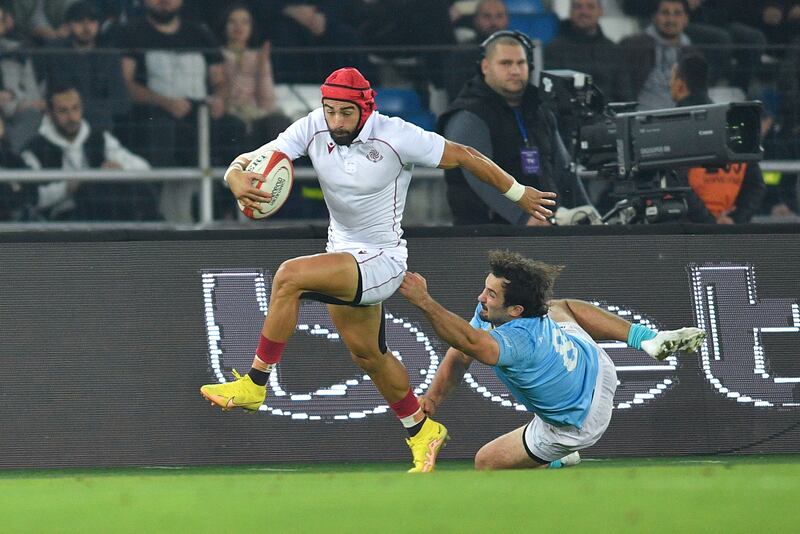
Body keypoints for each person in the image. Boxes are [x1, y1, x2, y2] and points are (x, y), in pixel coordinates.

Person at [199, 67, 557, 473]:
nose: (336, 122)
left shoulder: (397, 135)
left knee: (289, 276)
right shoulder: (313, 126)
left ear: (365, 109)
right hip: (342, 253)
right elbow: (250, 160)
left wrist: (517, 192)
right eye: (330, 111)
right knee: (369, 355)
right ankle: (422, 430)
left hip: (383, 260)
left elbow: (466, 156)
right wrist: (234, 178)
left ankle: (255, 384)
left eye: (345, 113)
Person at [398, 250, 706, 469]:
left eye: (491, 294)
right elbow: (462, 350)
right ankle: (647, 339)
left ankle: (557, 457)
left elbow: (467, 341)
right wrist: (434, 399)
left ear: (516, 310)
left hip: (580, 421)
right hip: (595, 364)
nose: (481, 298)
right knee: (559, 308)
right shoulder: (524, 311)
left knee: (487, 463)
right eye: (485, 289)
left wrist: (424, 301)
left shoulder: (519, 339)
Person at [438, 31, 596, 226]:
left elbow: (564, 171)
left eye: (520, 63)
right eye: (505, 63)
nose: (515, 70)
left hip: (544, 230)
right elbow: (478, 174)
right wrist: (522, 217)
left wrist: (587, 215)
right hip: (486, 235)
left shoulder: (541, 111)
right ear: (485, 66)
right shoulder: (468, 115)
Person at [115, 0, 246, 222]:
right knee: (159, 130)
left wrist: (218, 99)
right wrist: (164, 102)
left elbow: (220, 80)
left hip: (200, 114)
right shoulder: (132, 32)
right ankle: (152, 214)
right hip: (155, 116)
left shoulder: (199, 32)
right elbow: (126, 84)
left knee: (235, 128)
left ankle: (229, 207)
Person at [20, 82, 156, 221]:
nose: (72, 117)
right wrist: (68, 187)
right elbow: (31, 198)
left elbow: (144, 168)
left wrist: (122, 169)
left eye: (75, 108)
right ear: (49, 113)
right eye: (63, 111)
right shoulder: (34, 149)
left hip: (105, 210)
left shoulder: (100, 138)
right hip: (63, 219)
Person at [670, 54, 766, 223]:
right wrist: (734, 220)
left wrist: (709, 223)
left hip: (686, 233)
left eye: (671, 79)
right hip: (726, 233)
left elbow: (677, 184)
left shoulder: (673, 127)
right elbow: (756, 186)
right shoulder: (734, 122)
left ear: (679, 85)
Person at [40, 1, 130, 134]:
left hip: (101, 124)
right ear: (69, 25)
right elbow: (60, 95)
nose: (86, 27)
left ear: (99, 24)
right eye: (79, 21)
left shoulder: (109, 55)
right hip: (65, 120)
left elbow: (121, 102)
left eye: (92, 21)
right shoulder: (57, 53)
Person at [545, 0, 631, 103]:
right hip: (568, 116)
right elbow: (551, 94)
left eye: (590, 7)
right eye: (578, 7)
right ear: (570, 12)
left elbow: (625, 95)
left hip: (608, 115)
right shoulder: (554, 49)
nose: (584, 12)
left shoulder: (614, 50)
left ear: (600, 12)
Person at [619, 0, 693, 111]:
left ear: (686, 19)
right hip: (641, 117)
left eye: (677, 13)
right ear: (654, 17)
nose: (671, 19)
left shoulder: (693, 52)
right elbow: (621, 90)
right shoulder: (632, 46)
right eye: (665, 13)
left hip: (682, 118)